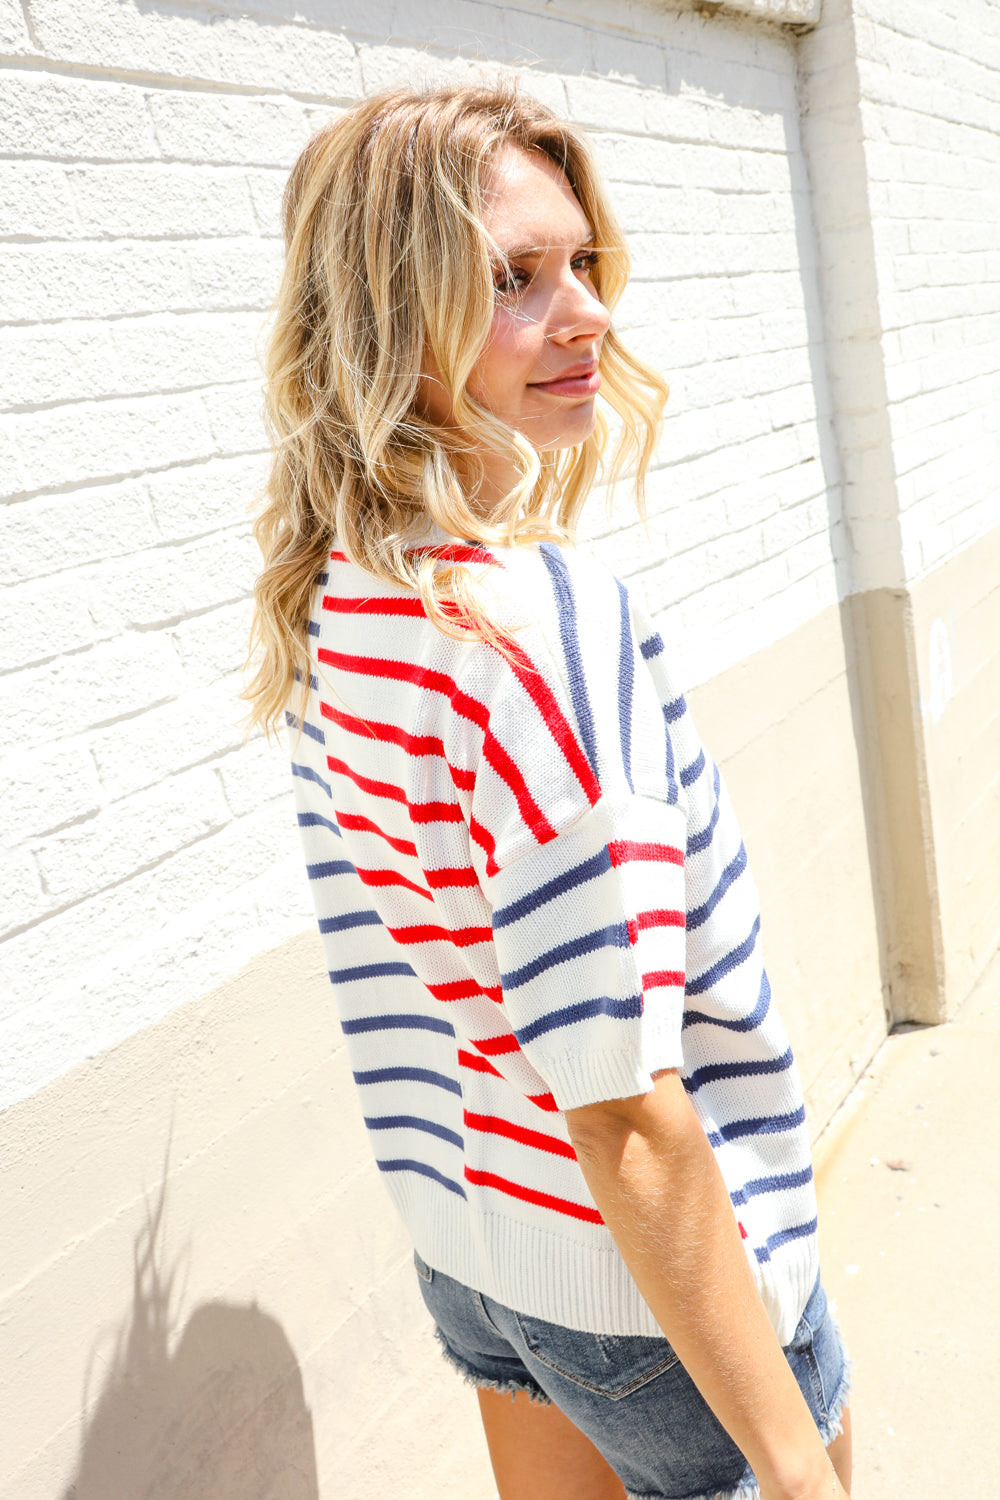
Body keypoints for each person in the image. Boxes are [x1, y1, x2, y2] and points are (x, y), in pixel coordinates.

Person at [246, 83, 852, 1500]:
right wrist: (797, 1472)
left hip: (478, 1244)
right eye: (514, 278)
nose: (586, 314)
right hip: (658, 1293)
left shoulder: (342, 594)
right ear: (390, 316)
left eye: (581, 263)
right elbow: (626, 1109)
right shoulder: (539, 629)